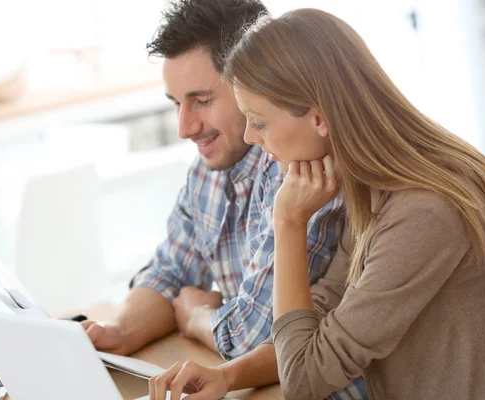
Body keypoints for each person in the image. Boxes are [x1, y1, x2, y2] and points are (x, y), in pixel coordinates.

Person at [149, 8, 485, 400]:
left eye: (260, 121)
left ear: (319, 119)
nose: (252, 138)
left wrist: (287, 222)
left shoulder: (422, 213)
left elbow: (304, 379)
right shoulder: (373, 191)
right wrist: (226, 376)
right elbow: (321, 320)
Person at [80, 0, 349, 383]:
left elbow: (257, 336)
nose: (184, 128)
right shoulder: (209, 170)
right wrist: (118, 332)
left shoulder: (300, 170)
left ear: (251, 84)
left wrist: (196, 317)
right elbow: (169, 273)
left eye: (201, 101)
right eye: (176, 104)